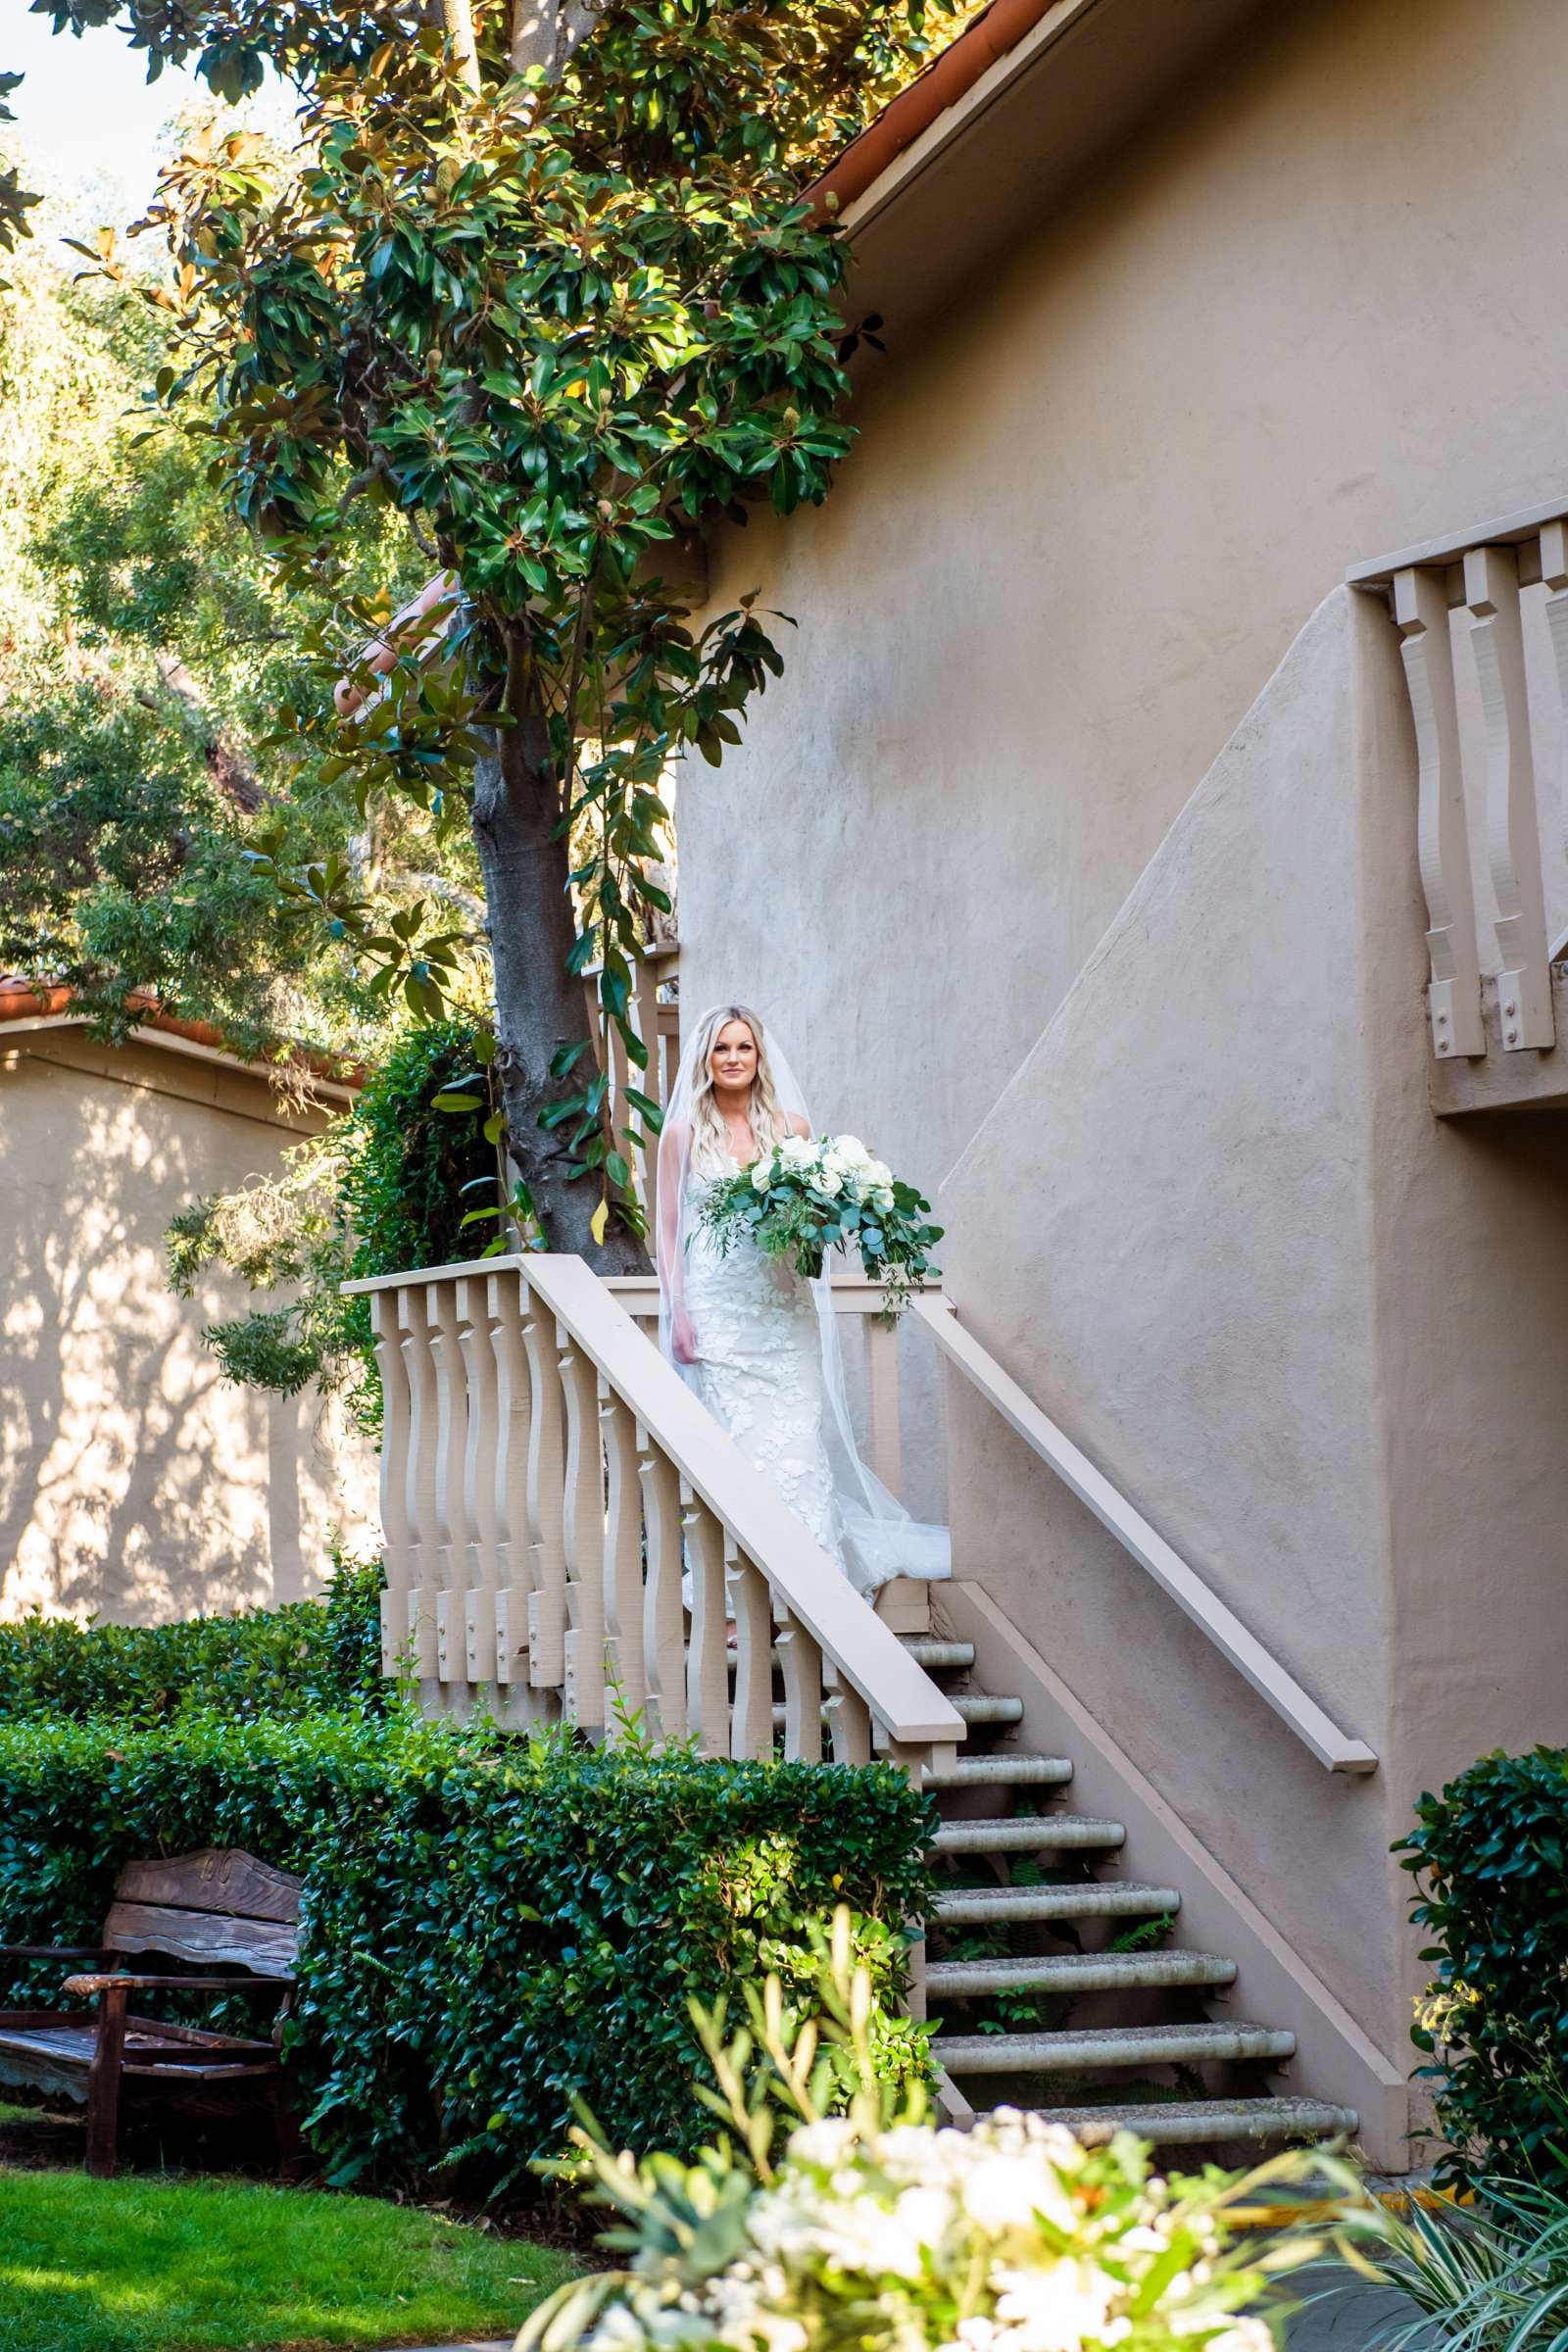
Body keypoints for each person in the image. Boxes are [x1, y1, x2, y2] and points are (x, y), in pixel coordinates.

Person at [656, 1004, 949, 1596]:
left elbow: (813, 1220)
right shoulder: (683, 1131)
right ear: (706, 1059)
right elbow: (665, 1229)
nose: (733, 1059)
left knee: (793, 1443)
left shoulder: (792, 1131)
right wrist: (678, 1310)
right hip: (719, 1311)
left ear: (759, 1057)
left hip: (783, 1308)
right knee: (731, 1449)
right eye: (721, 1048)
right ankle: (734, 1598)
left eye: (744, 1047)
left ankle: (813, 1588)